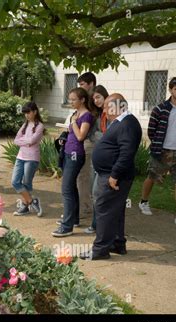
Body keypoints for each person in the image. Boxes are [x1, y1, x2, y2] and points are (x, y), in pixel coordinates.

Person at [80, 93, 142, 260]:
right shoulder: (121, 122)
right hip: (110, 174)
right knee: (115, 211)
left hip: (113, 177)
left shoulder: (127, 124)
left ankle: (99, 250)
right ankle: (117, 243)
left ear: (118, 106)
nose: (105, 110)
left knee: (104, 210)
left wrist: (114, 175)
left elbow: (126, 153)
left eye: (107, 107)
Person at [139, 76, 176, 227]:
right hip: (162, 150)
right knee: (152, 176)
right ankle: (143, 202)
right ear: (170, 90)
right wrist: (158, 144)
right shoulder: (160, 108)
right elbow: (152, 130)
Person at [52, 88, 94, 237]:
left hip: (76, 154)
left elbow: (81, 136)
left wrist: (74, 123)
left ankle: (67, 226)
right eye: (69, 99)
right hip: (69, 152)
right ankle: (74, 219)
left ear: (82, 100)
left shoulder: (86, 115)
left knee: (66, 189)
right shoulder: (75, 114)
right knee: (71, 187)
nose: (71, 102)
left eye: (73, 99)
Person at [12, 101, 44, 217]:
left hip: (32, 158)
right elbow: (16, 140)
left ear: (35, 112)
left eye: (28, 112)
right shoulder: (25, 125)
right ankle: (32, 201)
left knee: (26, 183)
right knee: (15, 182)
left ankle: (25, 207)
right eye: (25, 113)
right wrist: (26, 142)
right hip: (20, 157)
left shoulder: (40, 126)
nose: (26, 115)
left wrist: (24, 141)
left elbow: (31, 141)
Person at [86, 85, 109, 234]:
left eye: (98, 97)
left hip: (109, 160)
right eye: (94, 98)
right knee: (94, 191)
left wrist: (101, 137)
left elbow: (112, 136)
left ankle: (100, 224)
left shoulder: (112, 114)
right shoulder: (96, 115)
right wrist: (102, 137)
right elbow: (91, 135)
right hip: (97, 157)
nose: (96, 101)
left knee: (101, 192)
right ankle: (96, 223)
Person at [76, 72, 98, 219]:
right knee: (85, 175)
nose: (81, 87)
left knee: (83, 175)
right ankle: (88, 206)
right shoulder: (88, 101)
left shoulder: (94, 101)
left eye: (83, 84)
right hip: (86, 141)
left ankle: (85, 208)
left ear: (91, 84)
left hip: (90, 141)